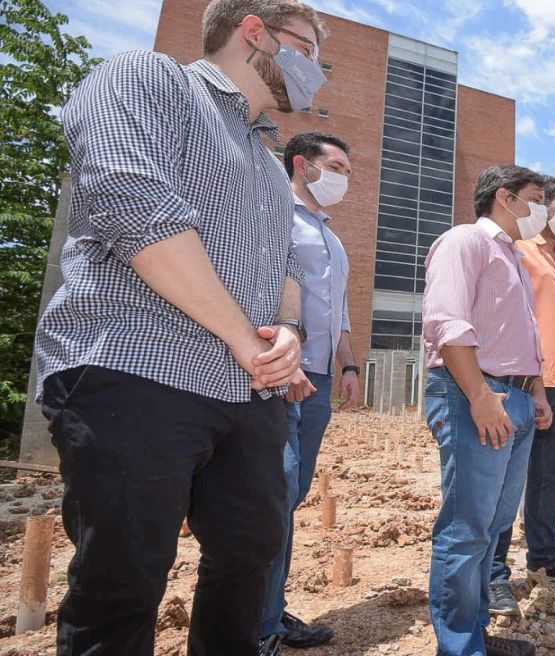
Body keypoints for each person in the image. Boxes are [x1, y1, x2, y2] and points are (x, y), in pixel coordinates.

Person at [32, 1, 329, 654]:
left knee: (250, 557)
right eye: (308, 49)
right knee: (123, 581)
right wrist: (242, 336)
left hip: (247, 390)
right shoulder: (148, 78)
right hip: (135, 368)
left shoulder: (267, 164)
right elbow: (133, 204)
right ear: (256, 32)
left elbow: (284, 267)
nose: (317, 70)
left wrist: (287, 329)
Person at [422, 164, 554, 656]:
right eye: (536, 197)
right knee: (466, 528)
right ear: (506, 197)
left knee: (493, 524)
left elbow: (521, 336)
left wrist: (535, 393)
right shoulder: (465, 241)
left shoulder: (514, 256)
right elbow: (447, 322)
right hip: (476, 393)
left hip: (513, 397)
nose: (543, 209)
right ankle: (459, 647)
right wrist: (479, 395)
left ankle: (474, 633)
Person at [259, 132, 362, 649]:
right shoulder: (273, 213)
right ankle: (256, 627)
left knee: (291, 495)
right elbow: (266, 287)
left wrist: (350, 366)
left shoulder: (332, 238)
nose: (344, 178)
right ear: (302, 164)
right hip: (277, 372)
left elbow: (339, 312)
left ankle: (269, 613)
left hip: (318, 379)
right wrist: (289, 358)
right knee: (272, 492)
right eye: (336, 167)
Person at [488, 176, 555, 617]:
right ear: (544, 206)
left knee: (550, 476)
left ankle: (546, 557)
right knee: (504, 481)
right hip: (522, 380)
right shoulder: (519, 249)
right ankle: (494, 572)